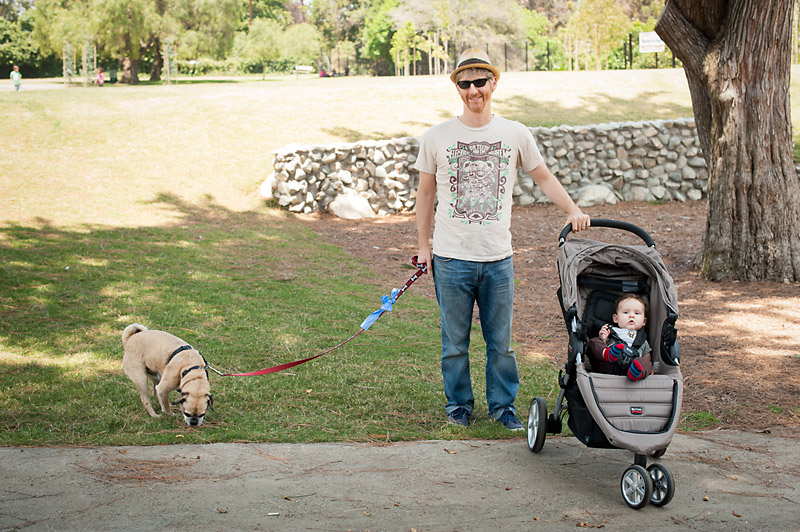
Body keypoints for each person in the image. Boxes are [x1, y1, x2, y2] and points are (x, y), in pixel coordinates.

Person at [414, 48, 591, 430]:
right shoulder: (437, 137)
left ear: (494, 83)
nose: (473, 89)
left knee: (502, 345)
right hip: (450, 258)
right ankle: (458, 406)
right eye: (465, 83)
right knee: (455, 344)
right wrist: (423, 247)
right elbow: (425, 194)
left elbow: (543, 177)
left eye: (480, 81)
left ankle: (502, 408)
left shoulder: (514, 133)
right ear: (457, 87)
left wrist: (572, 210)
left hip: (498, 259)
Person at [587, 294, 653, 381]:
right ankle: (607, 353)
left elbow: (646, 356)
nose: (631, 316)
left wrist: (647, 367)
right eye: (626, 312)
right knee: (593, 342)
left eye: (636, 313)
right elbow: (600, 345)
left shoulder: (642, 339)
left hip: (630, 367)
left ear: (644, 321)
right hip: (609, 364)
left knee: (646, 362)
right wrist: (602, 338)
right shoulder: (612, 331)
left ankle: (636, 372)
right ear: (616, 318)